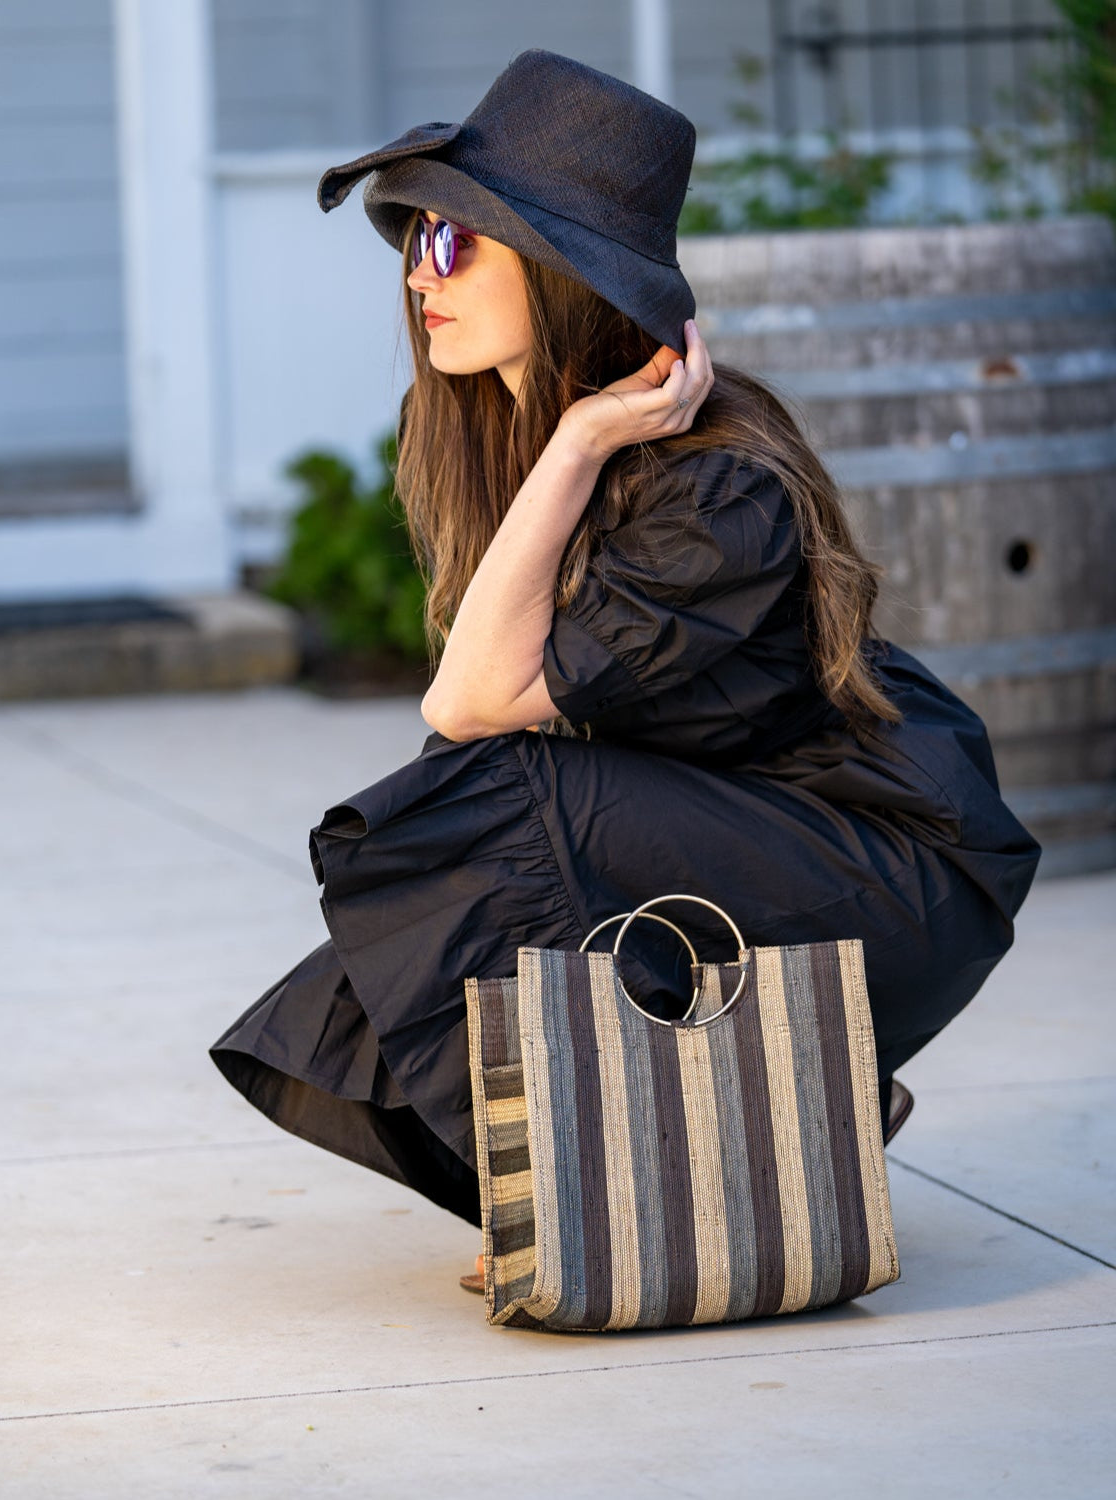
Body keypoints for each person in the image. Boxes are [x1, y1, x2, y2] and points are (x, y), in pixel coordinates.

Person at [209, 50, 1040, 1292]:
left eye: (456, 244)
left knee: (484, 806)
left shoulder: (712, 488)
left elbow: (471, 707)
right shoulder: (507, 443)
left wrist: (592, 431)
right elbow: (485, 705)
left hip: (893, 869)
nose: (419, 276)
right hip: (737, 841)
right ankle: (687, 1165)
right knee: (386, 968)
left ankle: (733, 1152)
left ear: (560, 274)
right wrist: (566, 452)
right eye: (415, 240)